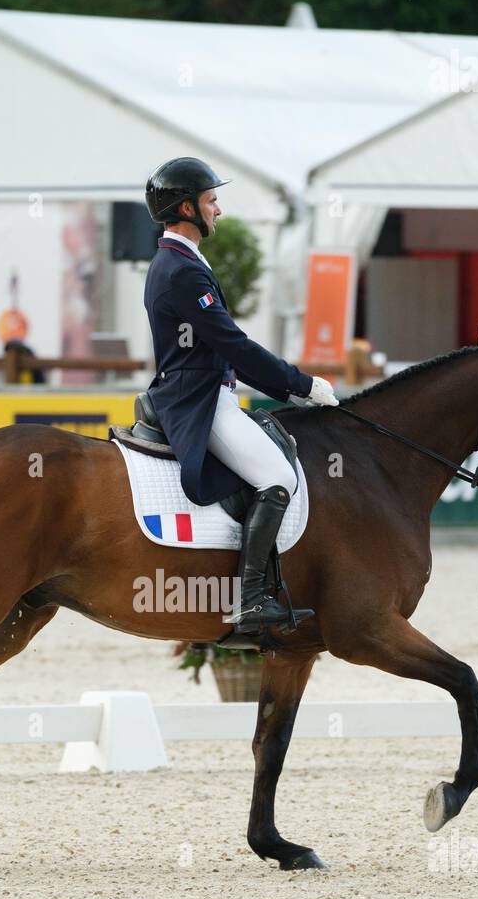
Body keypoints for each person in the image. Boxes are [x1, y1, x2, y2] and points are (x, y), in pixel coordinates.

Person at [143, 157, 338, 636]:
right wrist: (301, 385)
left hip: (209, 391)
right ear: (186, 207)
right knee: (276, 476)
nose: (218, 211)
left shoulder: (183, 261)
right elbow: (233, 345)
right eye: (211, 201)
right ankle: (250, 599)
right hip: (199, 399)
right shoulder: (180, 272)